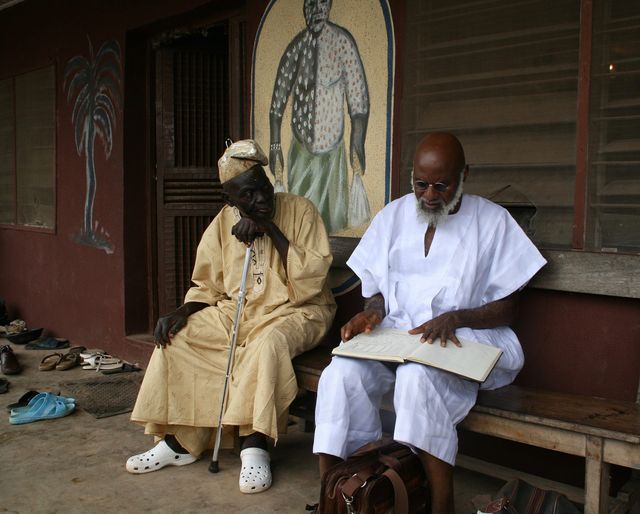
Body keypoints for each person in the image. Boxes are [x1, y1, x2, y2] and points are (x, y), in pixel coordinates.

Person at [313, 132, 547, 513]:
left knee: (417, 378)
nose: (430, 195)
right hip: (397, 335)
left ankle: (440, 503)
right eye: (421, 184)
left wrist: (456, 317)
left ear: (464, 176)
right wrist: (373, 310)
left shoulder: (492, 222)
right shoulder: (393, 216)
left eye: (442, 185)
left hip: (466, 338)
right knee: (339, 375)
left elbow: (508, 309)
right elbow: (378, 292)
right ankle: (334, 496)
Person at [127, 140, 336, 494]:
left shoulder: (300, 210)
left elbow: (313, 281)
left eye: (264, 188)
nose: (261, 200)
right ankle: (181, 443)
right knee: (180, 338)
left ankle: (254, 444)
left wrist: (269, 228)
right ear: (231, 201)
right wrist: (183, 311)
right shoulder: (223, 223)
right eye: (249, 196)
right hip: (238, 311)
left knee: (266, 345)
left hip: (299, 310)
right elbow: (207, 285)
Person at [269, 0, 369, 233]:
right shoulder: (297, 47)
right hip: (300, 152)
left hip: (332, 153)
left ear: (330, 5)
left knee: (331, 225)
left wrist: (358, 139)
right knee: (297, 225)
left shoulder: (342, 43)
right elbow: (277, 104)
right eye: (310, 4)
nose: (316, 10)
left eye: (322, 3)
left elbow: (358, 99)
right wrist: (275, 144)